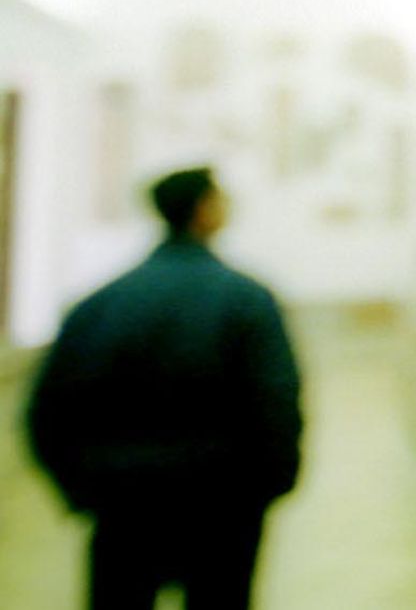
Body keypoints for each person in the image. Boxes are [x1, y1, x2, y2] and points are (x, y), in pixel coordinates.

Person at [25, 167, 303, 609]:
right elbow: (277, 401)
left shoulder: (101, 304)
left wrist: (82, 491)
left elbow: (48, 411)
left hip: (124, 505)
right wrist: (268, 487)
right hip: (223, 503)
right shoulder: (246, 300)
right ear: (204, 209)